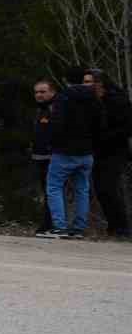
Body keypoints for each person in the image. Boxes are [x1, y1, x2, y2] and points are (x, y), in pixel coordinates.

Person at [44, 69, 102, 238]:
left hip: (64, 151)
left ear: (65, 80)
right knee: (82, 189)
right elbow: (100, 124)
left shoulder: (64, 97)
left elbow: (57, 124)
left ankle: (60, 226)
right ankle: (79, 228)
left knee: (54, 186)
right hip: (86, 152)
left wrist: (52, 142)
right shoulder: (94, 99)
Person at [86, 69, 130, 239]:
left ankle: (122, 228)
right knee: (101, 190)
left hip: (114, 152)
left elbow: (126, 127)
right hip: (96, 151)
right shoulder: (90, 102)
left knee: (110, 189)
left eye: (89, 81)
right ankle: (113, 227)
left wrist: (105, 136)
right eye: (84, 81)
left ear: (100, 83)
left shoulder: (117, 100)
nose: (86, 85)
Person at [30, 78, 57, 235]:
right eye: (36, 92)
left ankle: (50, 224)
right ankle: (48, 223)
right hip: (39, 157)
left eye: (43, 91)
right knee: (46, 191)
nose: (39, 95)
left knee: (52, 191)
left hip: (52, 157)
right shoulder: (40, 109)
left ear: (52, 92)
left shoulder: (55, 108)